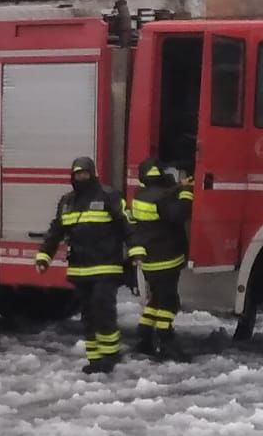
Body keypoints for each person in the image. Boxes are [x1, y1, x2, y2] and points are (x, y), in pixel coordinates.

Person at [36, 156, 129, 375]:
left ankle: (110, 355)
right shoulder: (67, 202)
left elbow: (127, 225)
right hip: (80, 269)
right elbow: (55, 232)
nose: (81, 178)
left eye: (85, 174)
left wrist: (135, 251)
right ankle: (95, 358)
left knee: (103, 308)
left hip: (106, 267)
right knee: (88, 315)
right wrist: (44, 256)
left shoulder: (109, 196)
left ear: (93, 174)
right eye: (77, 175)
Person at [127, 162, 192, 360]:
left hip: (150, 260)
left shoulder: (140, 195)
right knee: (169, 303)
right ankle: (166, 340)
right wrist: (187, 192)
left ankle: (144, 338)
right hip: (167, 260)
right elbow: (179, 213)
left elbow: (161, 195)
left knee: (155, 299)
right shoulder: (162, 198)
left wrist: (177, 187)